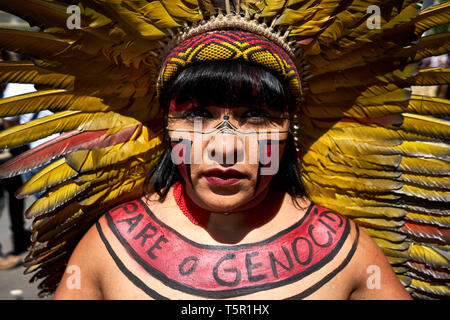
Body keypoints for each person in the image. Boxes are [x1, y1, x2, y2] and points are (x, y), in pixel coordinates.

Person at [53, 59, 411, 299]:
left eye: (256, 116)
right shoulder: (109, 244)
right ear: (166, 127)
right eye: (197, 115)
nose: (224, 147)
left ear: (289, 129)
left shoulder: (349, 252)